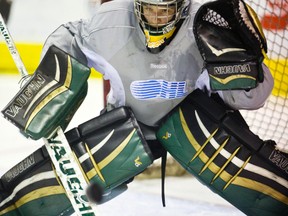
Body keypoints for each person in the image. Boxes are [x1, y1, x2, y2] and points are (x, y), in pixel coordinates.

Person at [1, 0, 287, 216]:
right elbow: (70, 36)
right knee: (38, 191)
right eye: (150, 9)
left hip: (194, 125)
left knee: (263, 185)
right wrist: (52, 76)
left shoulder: (206, 22)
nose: (157, 18)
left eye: (166, 10)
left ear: (183, 7)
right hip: (126, 129)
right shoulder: (110, 22)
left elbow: (253, 99)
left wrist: (248, 64)